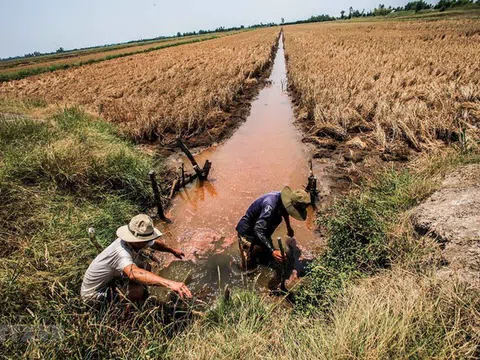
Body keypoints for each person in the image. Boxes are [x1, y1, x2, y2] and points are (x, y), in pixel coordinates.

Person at [81, 214, 192, 305]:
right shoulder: (121, 252)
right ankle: (128, 313)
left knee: (146, 267)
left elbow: (154, 244)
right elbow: (133, 273)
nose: (147, 243)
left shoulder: (135, 241)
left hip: (109, 280)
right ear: (134, 239)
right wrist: (169, 283)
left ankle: (138, 296)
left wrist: (172, 251)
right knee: (138, 291)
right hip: (94, 295)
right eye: (144, 241)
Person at [236, 186, 311, 270]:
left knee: (265, 257)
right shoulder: (270, 205)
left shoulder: (284, 201)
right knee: (249, 264)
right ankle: (244, 270)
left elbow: (285, 212)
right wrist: (272, 251)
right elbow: (258, 230)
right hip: (248, 232)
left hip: (264, 230)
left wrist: (288, 226)